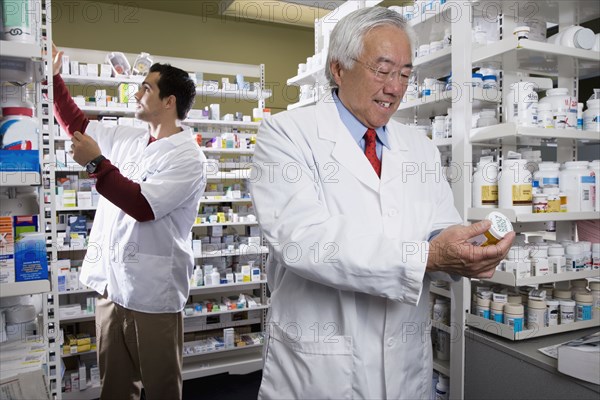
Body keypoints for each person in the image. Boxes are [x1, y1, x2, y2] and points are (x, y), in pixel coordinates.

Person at [249, 7, 514, 399]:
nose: (395, 87)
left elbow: (438, 227)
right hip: (321, 368)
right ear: (338, 69)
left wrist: (464, 246)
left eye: (405, 74)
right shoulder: (286, 135)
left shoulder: (419, 149)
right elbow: (303, 240)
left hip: (405, 364)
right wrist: (427, 256)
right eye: (383, 70)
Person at [52, 44, 206, 399]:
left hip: (152, 295)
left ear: (169, 102)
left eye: (146, 88)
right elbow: (76, 125)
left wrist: (95, 165)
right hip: (112, 289)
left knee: (162, 390)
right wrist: (55, 78)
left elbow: (141, 205)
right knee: (115, 389)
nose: (136, 93)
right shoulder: (131, 137)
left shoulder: (188, 157)